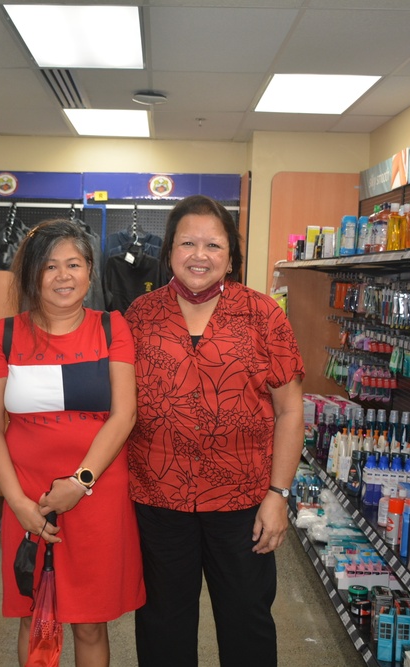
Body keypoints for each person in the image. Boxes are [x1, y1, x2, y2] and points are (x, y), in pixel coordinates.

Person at [124, 195, 305, 667]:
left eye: (213, 244)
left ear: (231, 256)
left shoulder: (264, 315)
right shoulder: (139, 317)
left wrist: (278, 493)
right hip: (158, 498)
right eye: (187, 242)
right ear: (168, 251)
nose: (199, 255)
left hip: (243, 501)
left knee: (246, 619)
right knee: (163, 622)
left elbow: (289, 412)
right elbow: (119, 409)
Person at [0, 218, 145, 666]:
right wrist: (17, 503)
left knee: (90, 621)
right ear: (33, 274)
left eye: (73, 264)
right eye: (50, 267)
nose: (63, 276)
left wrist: (80, 481)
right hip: (27, 495)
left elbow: (123, 414)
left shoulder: (113, 329)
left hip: (97, 492)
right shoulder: (4, 335)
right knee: (35, 616)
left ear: (90, 272)